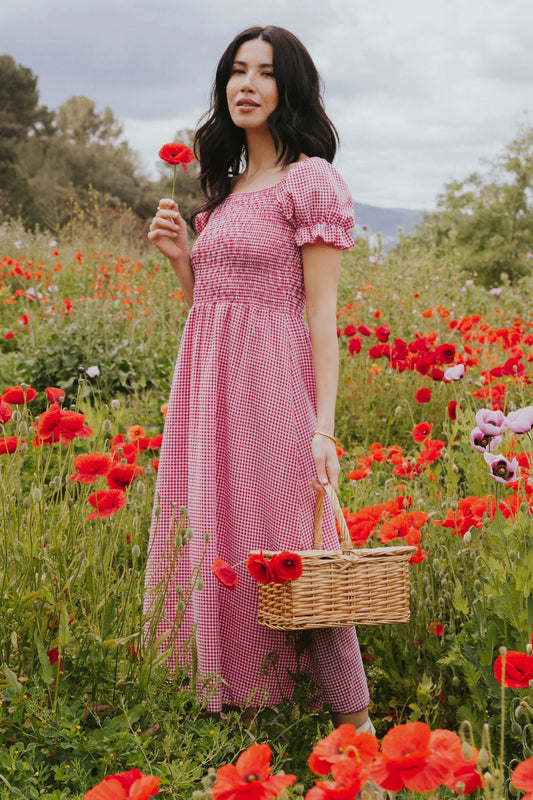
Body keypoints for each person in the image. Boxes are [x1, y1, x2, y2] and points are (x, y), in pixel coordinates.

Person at [144, 25, 372, 731]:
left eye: (265, 72)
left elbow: (321, 314)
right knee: (217, 537)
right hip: (207, 389)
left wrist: (323, 428)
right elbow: (211, 305)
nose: (246, 84)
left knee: (294, 546)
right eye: (237, 71)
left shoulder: (309, 180)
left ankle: (359, 732)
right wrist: (183, 260)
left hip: (270, 384)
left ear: (289, 87)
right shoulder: (229, 187)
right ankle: (245, 708)